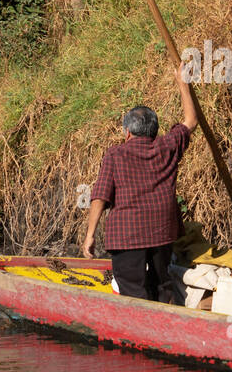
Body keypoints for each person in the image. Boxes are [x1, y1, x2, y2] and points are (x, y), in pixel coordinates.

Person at [81, 64, 199, 303]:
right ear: (154, 131)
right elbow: (191, 121)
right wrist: (182, 84)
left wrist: (90, 235)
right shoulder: (166, 147)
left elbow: (100, 196)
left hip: (127, 234)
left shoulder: (115, 154)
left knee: (133, 292)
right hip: (162, 231)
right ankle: (166, 328)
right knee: (163, 287)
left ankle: (140, 333)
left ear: (127, 133)